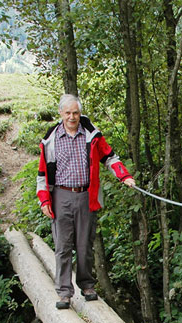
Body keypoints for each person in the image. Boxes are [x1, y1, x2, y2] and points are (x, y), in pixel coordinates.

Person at [36, 94, 135, 309]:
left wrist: (124, 176)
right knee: (62, 246)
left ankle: (87, 285)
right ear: (61, 113)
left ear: (80, 113)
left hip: (86, 196)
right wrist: (44, 200)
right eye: (68, 113)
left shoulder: (91, 135)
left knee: (84, 245)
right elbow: (42, 174)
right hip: (60, 196)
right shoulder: (50, 140)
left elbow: (110, 157)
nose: (72, 117)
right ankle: (64, 292)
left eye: (76, 113)